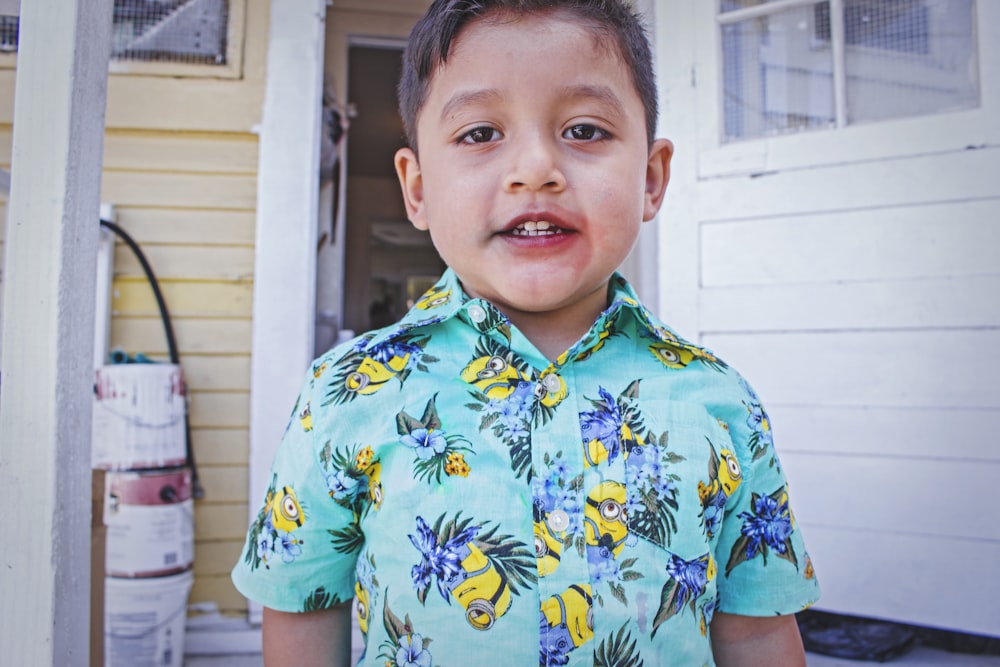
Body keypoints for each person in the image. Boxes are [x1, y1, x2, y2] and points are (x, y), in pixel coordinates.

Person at [231, 0, 820, 664]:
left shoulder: (720, 401)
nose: (536, 167)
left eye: (586, 129)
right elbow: (301, 603)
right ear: (418, 187)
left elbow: (759, 628)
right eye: (481, 133)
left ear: (651, 178)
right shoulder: (343, 392)